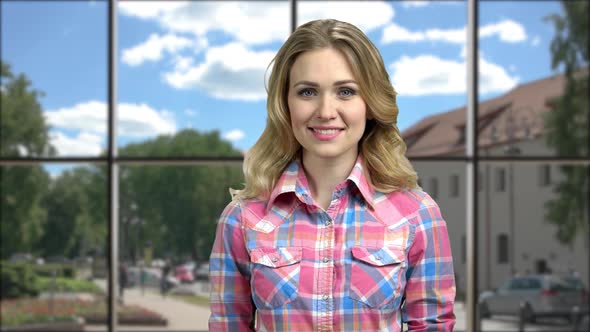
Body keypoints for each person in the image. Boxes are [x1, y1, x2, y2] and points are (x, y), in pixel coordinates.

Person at [209, 19, 455, 331]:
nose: (325, 111)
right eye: (308, 91)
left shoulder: (418, 215)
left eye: (346, 91)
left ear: (371, 103)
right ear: (285, 103)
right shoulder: (241, 219)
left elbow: (433, 325)